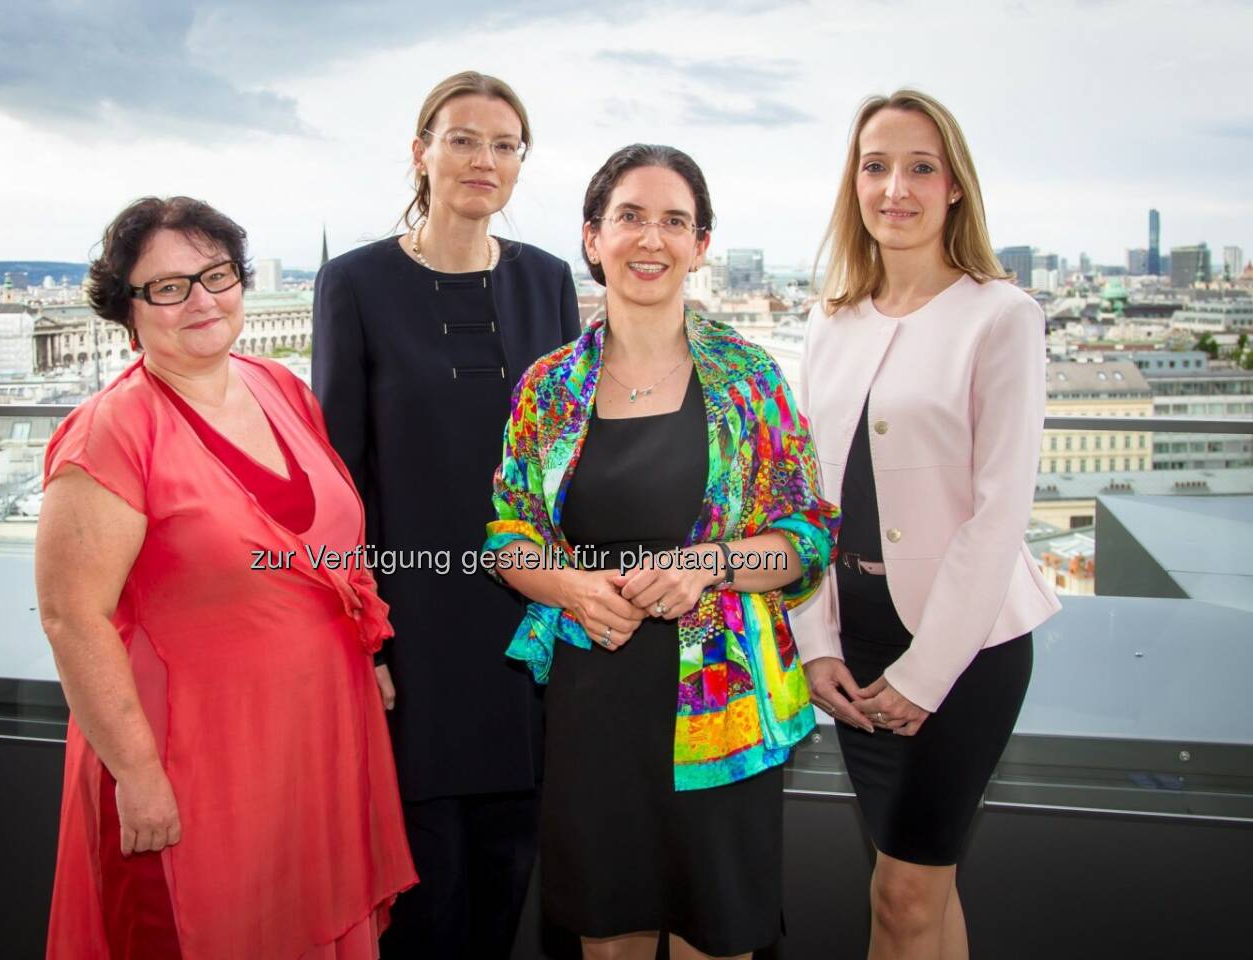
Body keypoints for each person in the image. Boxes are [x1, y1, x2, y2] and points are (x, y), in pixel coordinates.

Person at [484, 144, 840, 960]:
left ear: (701, 245)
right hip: (595, 695)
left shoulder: (749, 379)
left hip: (725, 704)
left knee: (717, 939)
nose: (651, 239)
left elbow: (808, 535)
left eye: (674, 221)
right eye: (630, 218)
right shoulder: (547, 386)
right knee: (607, 938)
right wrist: (569, 587)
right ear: (592, 237)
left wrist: (707, 565)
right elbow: (508, 535)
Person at [37, 196, 416, 960]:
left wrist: (369, 648)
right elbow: (71, 616)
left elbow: (335, 544)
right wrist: (137, 775)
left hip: (311, 741)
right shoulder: (113, 430)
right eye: (169, 287)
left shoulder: (279, 388)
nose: (202, 301)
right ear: (129, 310)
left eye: (216, 275)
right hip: (196, 759)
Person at [312, 71, 581, 959]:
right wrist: (366, 638)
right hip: (415, 631)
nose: (484, 160)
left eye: (506, 145)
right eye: (463, 139)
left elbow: (571, 457)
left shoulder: (548, 281)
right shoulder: (354, 283)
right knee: (426, 896)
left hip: (532, 627)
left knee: (508, 877)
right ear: (420, 151)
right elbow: (341, 480)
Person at [794, 90, 1062, 960]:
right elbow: (804, 497)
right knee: (921, 898)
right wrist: (814, 640)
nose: (895, 188)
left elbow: (1001, 512)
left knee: (903, 894)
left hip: (964, 650)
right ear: (854, 184)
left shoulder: (1001, 316)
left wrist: (926, 672)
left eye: (920, 167)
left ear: (955, 187)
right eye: (876, 166)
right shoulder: (830, 321)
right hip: (855, 649)